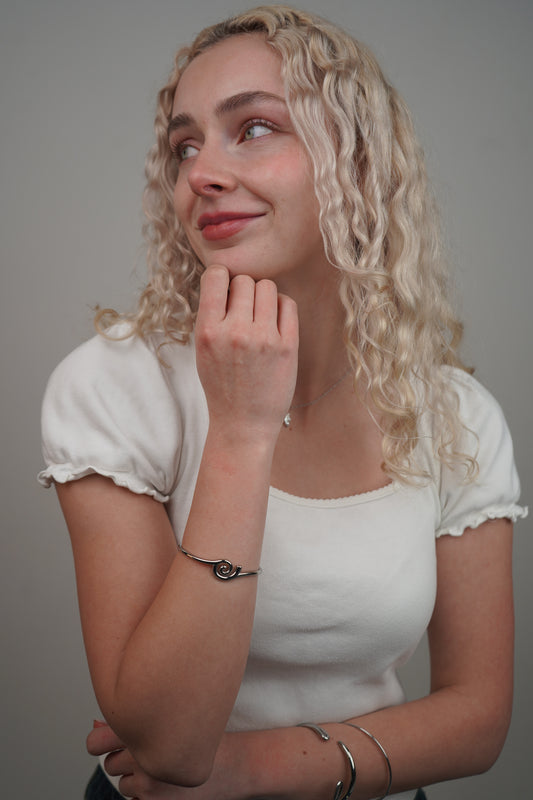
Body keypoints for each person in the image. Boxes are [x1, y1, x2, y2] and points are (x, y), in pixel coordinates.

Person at [39, 6, 527, 800]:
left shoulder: (455, 417)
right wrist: (238, 433)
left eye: (255, 128)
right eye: (184, 145)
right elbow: (166, 741)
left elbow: (479, 717)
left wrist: (247, 767)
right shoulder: (114, 386)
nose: (201, 173)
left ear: (360, 163)